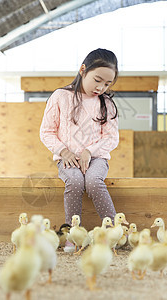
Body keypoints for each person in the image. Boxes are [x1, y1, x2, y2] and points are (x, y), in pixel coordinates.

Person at [40, 48, 120, 252]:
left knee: (93, 181)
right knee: (75, 181)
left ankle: (113, 233)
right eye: (98, 80)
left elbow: (111, 137)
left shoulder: (107, 104)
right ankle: (73, 236)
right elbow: (47, 131)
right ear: (83, 70)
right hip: (67, 159)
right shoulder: (60, 96)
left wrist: (90, 152)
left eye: (107, 83)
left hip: (97, 159)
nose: (101, 87)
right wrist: (63, 151)